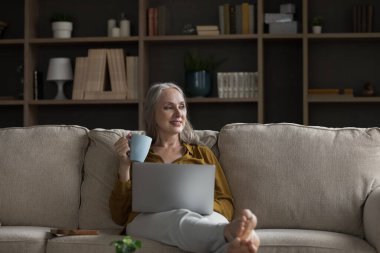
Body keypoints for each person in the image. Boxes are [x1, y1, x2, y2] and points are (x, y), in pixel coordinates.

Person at [109, 82, 260, 253]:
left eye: (182, 107)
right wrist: (124, 166)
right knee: (178, 217)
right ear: (152, 113)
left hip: (202, 218)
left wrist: (200, 206)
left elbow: (226, 202)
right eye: (168, 107)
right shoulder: (138, 155)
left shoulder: (201, 153)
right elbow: (119, 216)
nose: (178, 113)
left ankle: (231, 246)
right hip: (147, 221)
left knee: (199, 219)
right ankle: (232, 234)